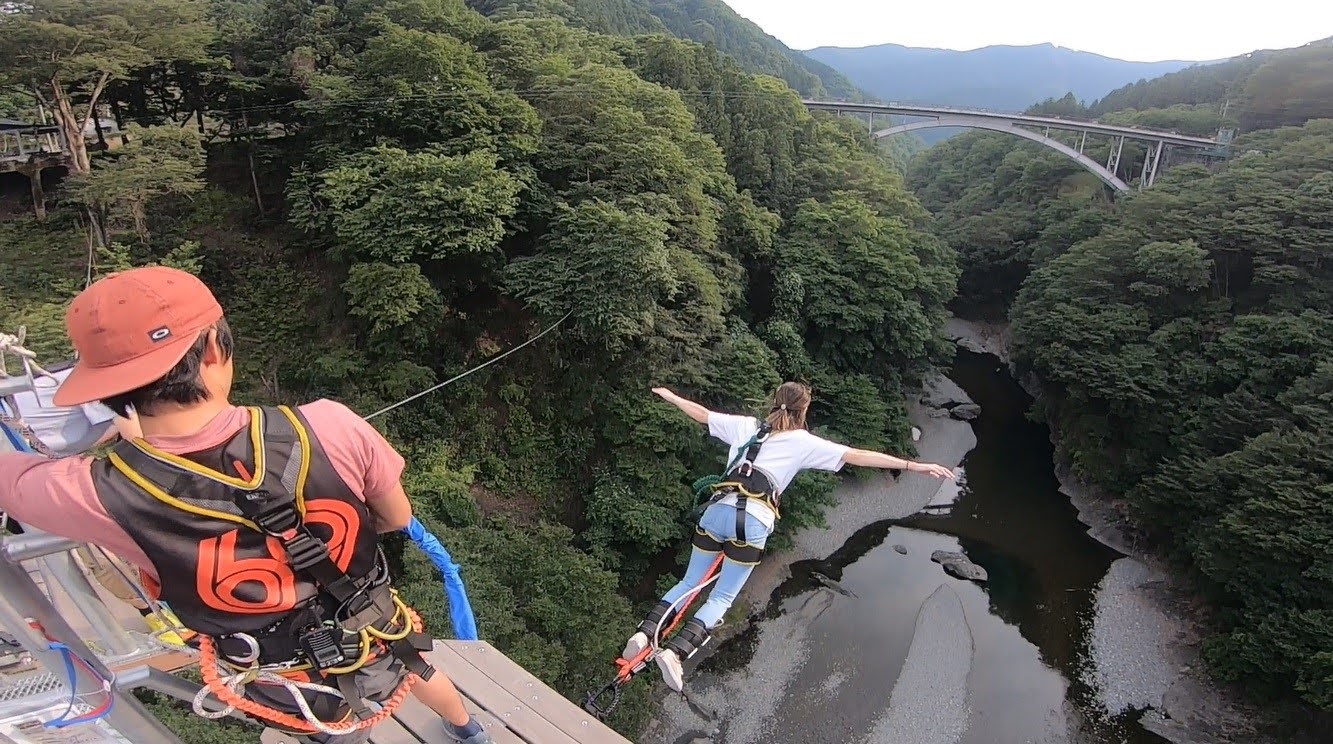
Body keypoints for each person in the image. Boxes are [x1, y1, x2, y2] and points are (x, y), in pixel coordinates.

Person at [0, 267, 491, 744]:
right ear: (216, 346)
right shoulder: (329, 425)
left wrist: (130, 441)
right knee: (415, 667)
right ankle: (468, 730)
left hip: (272, 666)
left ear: (103, 392)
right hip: (368, 617)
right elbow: (396, 518)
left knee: (325, 726)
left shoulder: (95, 493)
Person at [624, 382, 955, 691]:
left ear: (774, 402)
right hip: (753, 520)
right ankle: (676, 654)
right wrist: (915, 466)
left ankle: (644, 633)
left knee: (688, 583)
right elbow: (858, 455)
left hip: (717, 511)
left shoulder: (746, 427)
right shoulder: (803, 442)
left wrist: (671, 396)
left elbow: (701, 413)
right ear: (804, 409)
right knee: (721, 598)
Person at [0, 362, 192, 646]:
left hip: (23, 468)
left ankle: (162, 615)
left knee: (95, 541)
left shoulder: (94, 381)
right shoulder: (100, 380)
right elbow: (144, 445)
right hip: (18, 469)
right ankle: (166, 618)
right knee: (102, 536)